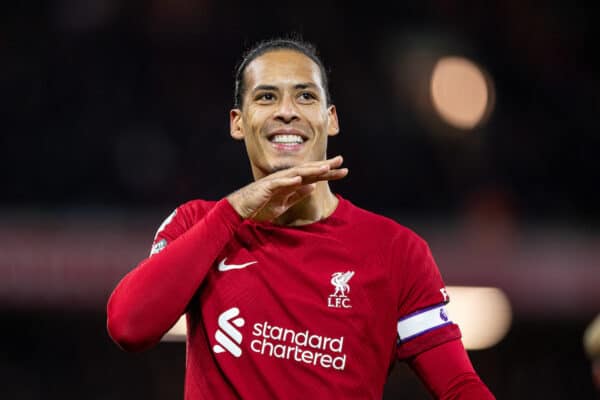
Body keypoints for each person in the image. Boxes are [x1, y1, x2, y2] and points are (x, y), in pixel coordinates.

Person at [106, 37, 495, 399]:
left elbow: (460, 387)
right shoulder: (198, 224)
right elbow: (128, 326)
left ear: (332, 119)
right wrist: (235, 210)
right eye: (266, 97)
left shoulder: (396, 251)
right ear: (237, 123)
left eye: (305, 96)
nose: (287, 111)